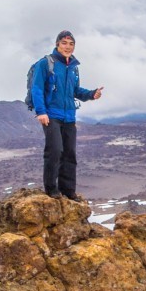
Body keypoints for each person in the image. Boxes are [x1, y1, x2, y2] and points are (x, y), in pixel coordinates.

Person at [30, 30, 103, 200]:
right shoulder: (45, 63)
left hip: (69, 116)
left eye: (71, 44)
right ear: (57, 44)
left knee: (69, 154)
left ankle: (68, 191)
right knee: (55, 151)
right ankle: (51, 189)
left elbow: (75, 91)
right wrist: (41, 112)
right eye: (64, 43)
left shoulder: (73, 67)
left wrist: (92, 94)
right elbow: (37, 88)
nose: (67, 47)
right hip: (51, 115)